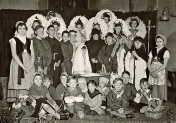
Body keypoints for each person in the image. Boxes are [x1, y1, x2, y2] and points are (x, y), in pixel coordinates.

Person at [7, 21, 35, 102]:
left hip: (29, 63)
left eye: (24, 28)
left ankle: (28, 104)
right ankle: (18, 105)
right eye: (20, 28)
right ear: (17, 29)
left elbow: (33, 54)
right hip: (18, 63)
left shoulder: (30, 40)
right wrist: (23, 67)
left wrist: (30, 66)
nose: (22, 30)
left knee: (29, 83)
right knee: (20, 84)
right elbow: (14, 55)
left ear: (26, 29)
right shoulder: (13, 40)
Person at [148, 34, 170, 112]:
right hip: (152, 70)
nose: (158, 43)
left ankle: (160, 105)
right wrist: (151, 71)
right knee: (154, 88)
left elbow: (164, 65)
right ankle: (155, 104)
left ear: (164, 42)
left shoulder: (165, 51)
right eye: (157, 41)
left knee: (160, 88)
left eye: (160, 41)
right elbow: (149, 62)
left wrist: (155, 72)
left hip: (160, 71)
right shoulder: (153, 50)